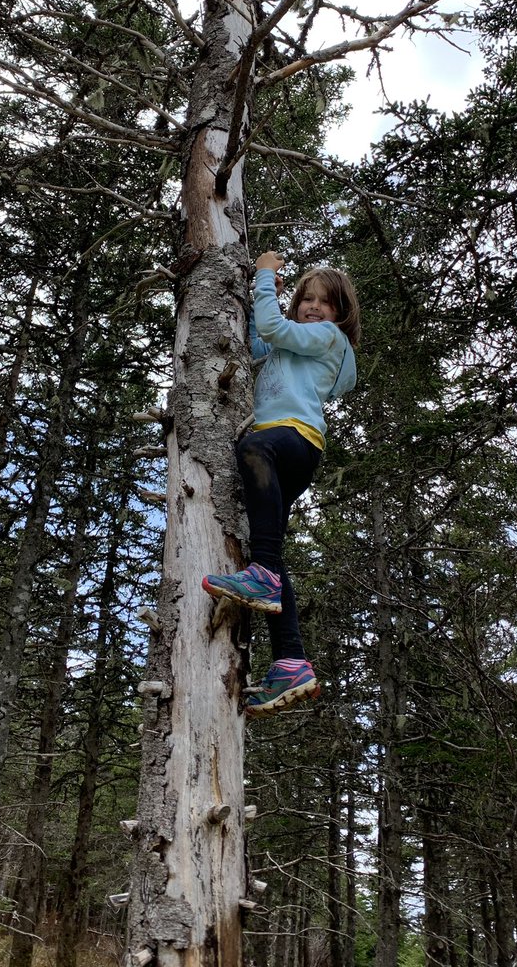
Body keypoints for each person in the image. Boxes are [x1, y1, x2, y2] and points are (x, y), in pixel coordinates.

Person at [202, 251, 360, 716]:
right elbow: (255, 345)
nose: (313, 306)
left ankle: (263, 577)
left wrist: (265, 277)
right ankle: (291, 661)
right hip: (284, 454)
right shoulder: (291, 344)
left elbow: (273, 329)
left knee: (251, 446)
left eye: (324, 302)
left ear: (339, 314)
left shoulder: (327, 338)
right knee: (266, 549)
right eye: (305, 299)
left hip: (293, 439)